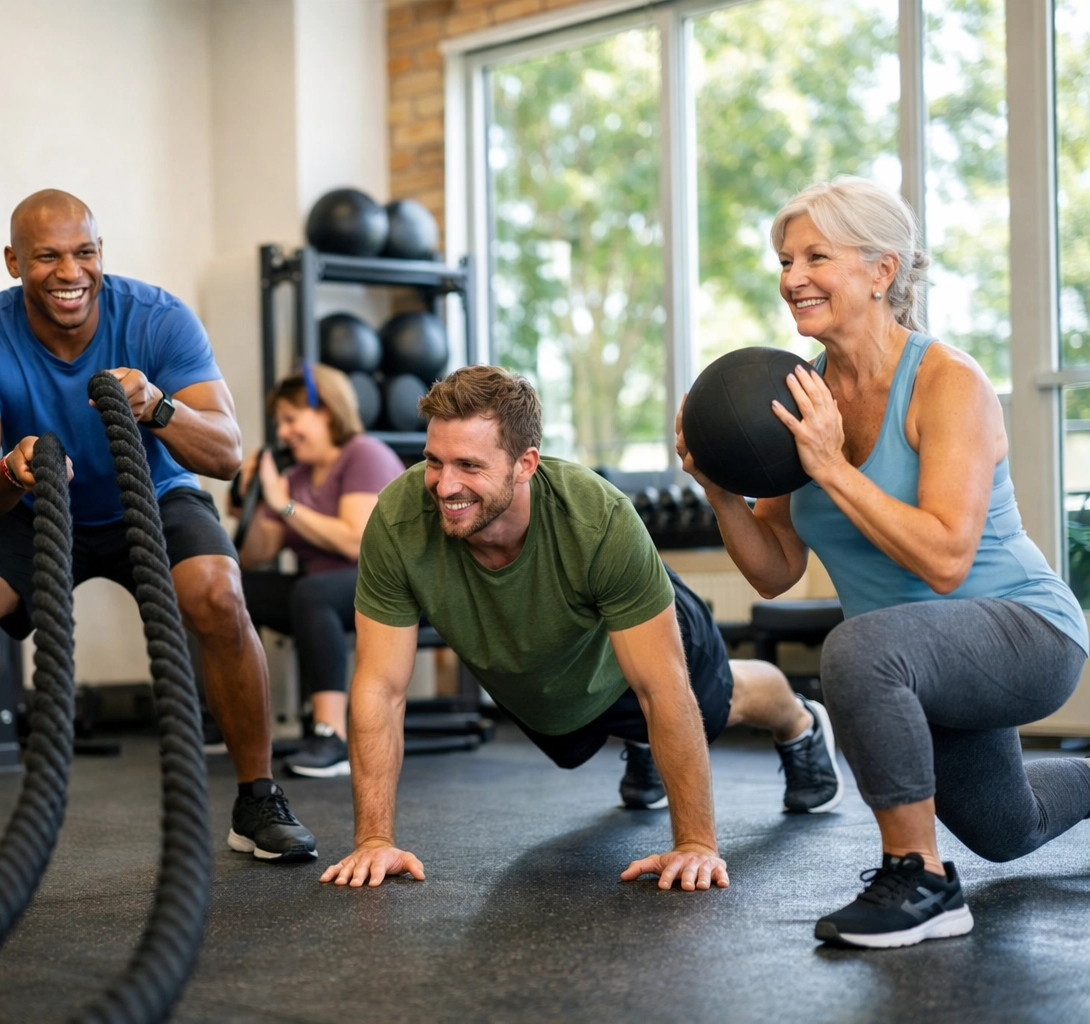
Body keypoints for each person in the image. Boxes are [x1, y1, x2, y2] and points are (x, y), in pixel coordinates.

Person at [678, 176, 1090, 948]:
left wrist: (833, 467)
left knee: (859, 645)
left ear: (881, 271)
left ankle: (922, 881)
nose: (792, 276)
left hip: (1026, 631)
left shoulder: (947, 382)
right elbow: (774, 571)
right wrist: (720, 491)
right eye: (785, 258)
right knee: (1008, 827)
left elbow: (945, 556)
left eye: (816, 256)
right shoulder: (793, 393)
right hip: (916, 662)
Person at [0, 189, 316, 868]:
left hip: (154, 492)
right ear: (13, 260)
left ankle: (258, 797)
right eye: (47, 256)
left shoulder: (158, 317)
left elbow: (229, 454)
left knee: (219, 593)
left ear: (100, 253)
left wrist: (159, 407)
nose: (69, 272)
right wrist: (9, 467)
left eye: (84, 252)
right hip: (30, 503)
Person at [320, 365, 843, 892]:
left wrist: (695, 845)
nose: (445, 484)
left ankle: (799, 723)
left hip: (646, 642)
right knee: (568, 735)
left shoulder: (598, 520)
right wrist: (373, 841)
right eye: (434, 461)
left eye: (469, 465)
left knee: (716, 702)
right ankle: (643, 745)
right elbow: (380, 687)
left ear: (526, 464)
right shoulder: (398, 520)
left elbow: (661, 689)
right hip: (552, 674)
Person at [234, 363, 405, 778]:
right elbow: (257, 554)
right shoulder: (295, 476)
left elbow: (354, 541)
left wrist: (284, 504)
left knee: (312, 592)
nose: (285, 432)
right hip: (320, 590)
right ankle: (226, 722)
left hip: (386, 587)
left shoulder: (364, 455)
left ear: (326, 411)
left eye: (292, 420)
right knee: (228, 589)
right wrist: (252, 500)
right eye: (281, 424)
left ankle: (332, 735)